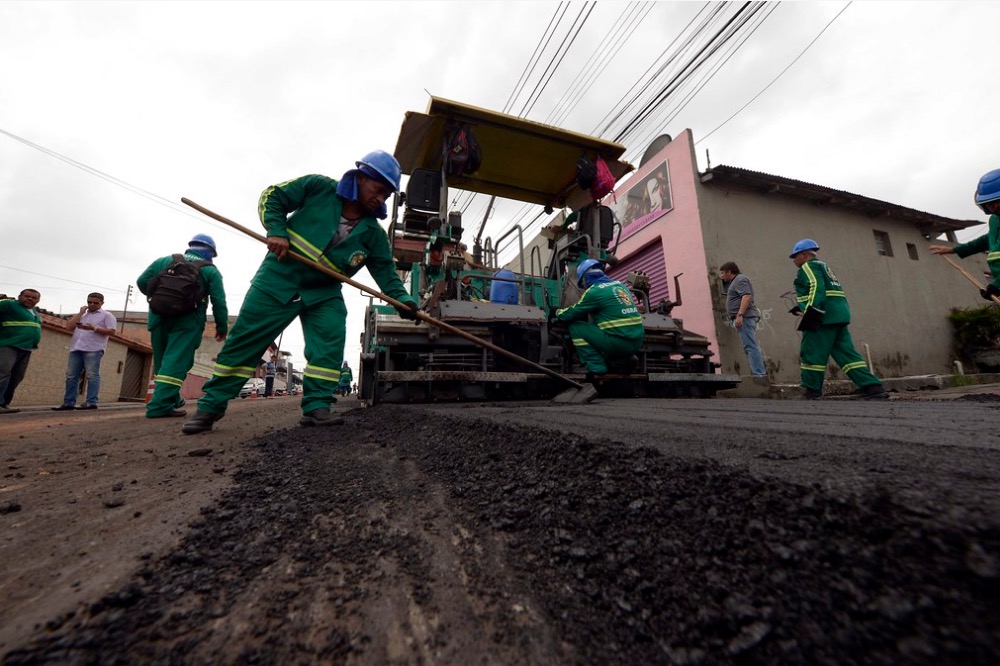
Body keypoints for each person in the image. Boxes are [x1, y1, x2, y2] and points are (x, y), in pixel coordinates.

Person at [182, 150, 419, 434]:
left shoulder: (373, 234)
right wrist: (276, 229)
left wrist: (404, 301)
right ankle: (210, 407)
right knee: (244, 342)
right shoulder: (319, 188)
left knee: (330, 341)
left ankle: (317, 406)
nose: (380, 199)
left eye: (386, 195)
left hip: (323, 291)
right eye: (378, 190)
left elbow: (387, 276)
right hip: (279, 278)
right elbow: (272, 197)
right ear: (360, 177)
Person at [138, 234, 228, 418]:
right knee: (176, 361)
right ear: (210, 252)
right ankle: (159, 406)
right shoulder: (211, 271)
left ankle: (171, 398)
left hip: (158, 317)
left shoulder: (163, 261)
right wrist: (221, 326)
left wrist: (159, 298)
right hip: (188, 322)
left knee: (163, 362)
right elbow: (219, 301)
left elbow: (142, 282)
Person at [788, 239, 888, 400]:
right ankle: (873, 388)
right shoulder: (824, 267)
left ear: (805, 255)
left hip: (822, 317)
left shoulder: (808, 266)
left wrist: (810, 312)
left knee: (811, 352)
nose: (793, 260)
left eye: (795, 256)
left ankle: (812, 390)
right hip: (838, 316)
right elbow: (828, 292)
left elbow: (816, 287)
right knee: (847, 355)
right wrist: (801, 308)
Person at [554, 258, 644, 378]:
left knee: (576, 328)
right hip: (637, 341)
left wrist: (558, 313)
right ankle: (622, 362)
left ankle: (596, 367)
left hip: (618, 343)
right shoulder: (620, 285)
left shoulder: (594, 291)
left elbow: (574, 311)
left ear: (586, 278)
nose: (584, 287)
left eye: (583, 283)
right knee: (605, 328)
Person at [929, 168, 1000, 300]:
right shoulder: (995, 220)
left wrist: (997, 286)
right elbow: (986, 240)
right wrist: (954, 249)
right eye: (990, 203)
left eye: (998, 201)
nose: (994, 207)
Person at [51, 292, 117, 411]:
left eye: (95, 303)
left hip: (94, 349)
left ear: (102, 303)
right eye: (89, 302)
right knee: (71, 376)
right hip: (76, 348)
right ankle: (68, 403)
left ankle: (91, 402)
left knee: (92, 375)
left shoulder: (107, 315)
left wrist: (93, 328)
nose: (92, 304)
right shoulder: (82, 315)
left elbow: (112, 331)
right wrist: (81, 312)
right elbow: (68, 327)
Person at [719, 262, 767, 378]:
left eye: (722, 273)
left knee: (750, 346)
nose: (721, 276)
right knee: (749, 346)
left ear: (729, 272)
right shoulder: (735, 282)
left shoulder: (740, 280)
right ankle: (758, 373)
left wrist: (740, 315)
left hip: (745, 317)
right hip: (744, 318)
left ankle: (759, 375)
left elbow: (746, 296)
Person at [0, 289, 42, 414]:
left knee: (17, 376)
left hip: (27, 347)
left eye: (33, 298)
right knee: (3, 373)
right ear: (20, 296)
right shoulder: (9, 304)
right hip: (8, 345)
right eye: (27, 296)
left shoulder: (34, 312)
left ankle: (4, 403)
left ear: (38, 300)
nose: (30, 299)